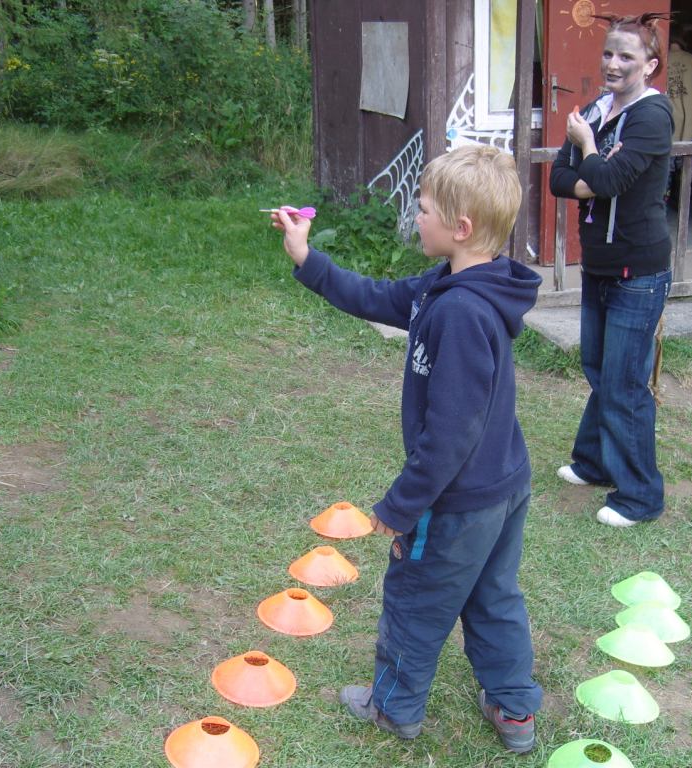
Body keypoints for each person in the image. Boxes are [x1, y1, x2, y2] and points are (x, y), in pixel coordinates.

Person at [270, 145, 543, 752]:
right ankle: (514, 708)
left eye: (423, 210)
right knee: (493, 596)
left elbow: (450, 435)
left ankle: (394, 708)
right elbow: (374, 297)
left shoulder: (462, 313)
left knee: (415, 599)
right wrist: (307, 257)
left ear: (460, 227)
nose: (415, 217)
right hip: (501, 484)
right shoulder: (447, 285)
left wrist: (401, 506)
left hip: (458, 501)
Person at [549, 12, 674, 527]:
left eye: (626, 56)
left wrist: (587, 149)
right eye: (608, 53)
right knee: (600, 370)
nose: (613, 64)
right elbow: (560, 179)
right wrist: (592, 171)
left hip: (637, 270)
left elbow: (609, 179)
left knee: (624, 383)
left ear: (650, 64)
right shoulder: (597, 109)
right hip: (599, 264)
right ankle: (595, 462)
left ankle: (640, 496)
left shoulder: (652, 115)